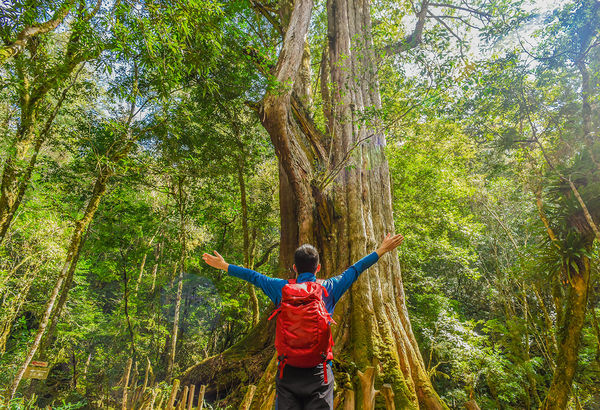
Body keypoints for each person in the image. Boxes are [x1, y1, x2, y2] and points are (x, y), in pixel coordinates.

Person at [202, 233, 404, 410]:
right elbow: (355, 269)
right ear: (318, 268)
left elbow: (254, 277)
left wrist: (224, 266)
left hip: (287, 372)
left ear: (294, 268)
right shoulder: (329, 288)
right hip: (319, 373)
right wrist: (382, 249)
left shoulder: (281, 288)